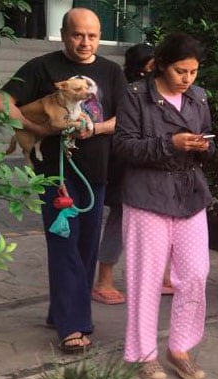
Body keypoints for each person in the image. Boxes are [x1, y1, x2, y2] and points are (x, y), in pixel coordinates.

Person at [0, 7, 126, 353]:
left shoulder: (111, 71)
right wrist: (37, 128)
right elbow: (2, 99)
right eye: (78, 35)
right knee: (64, 246)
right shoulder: (41, 67)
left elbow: (123, 117)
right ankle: (74, 326)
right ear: (64, 33)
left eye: (93, 36)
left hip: (96, 173)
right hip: (56, 176)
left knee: (86, 248)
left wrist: (93, 127)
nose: (85, 42)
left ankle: (61, 311)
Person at [113, 33, 214, 379]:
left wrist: (203, 146)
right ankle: (144, 353)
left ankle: (180, 347)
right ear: (160, 66)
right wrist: (168, 143)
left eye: (193, 72)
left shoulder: (198, 97)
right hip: (147, 196)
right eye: (180, 71)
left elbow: (209, 141)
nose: (187, 79)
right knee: (146, 277)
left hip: (189, 195)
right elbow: (124, 146)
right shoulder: (136, 95)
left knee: (196, 274)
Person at [91, 42, 157, 305]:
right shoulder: (129, 90)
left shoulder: (157, 88)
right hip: (123, 164)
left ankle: (159, 277)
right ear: (144, 66)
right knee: (119, 217)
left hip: (149, 164)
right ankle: (103, 280)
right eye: (154, 63)